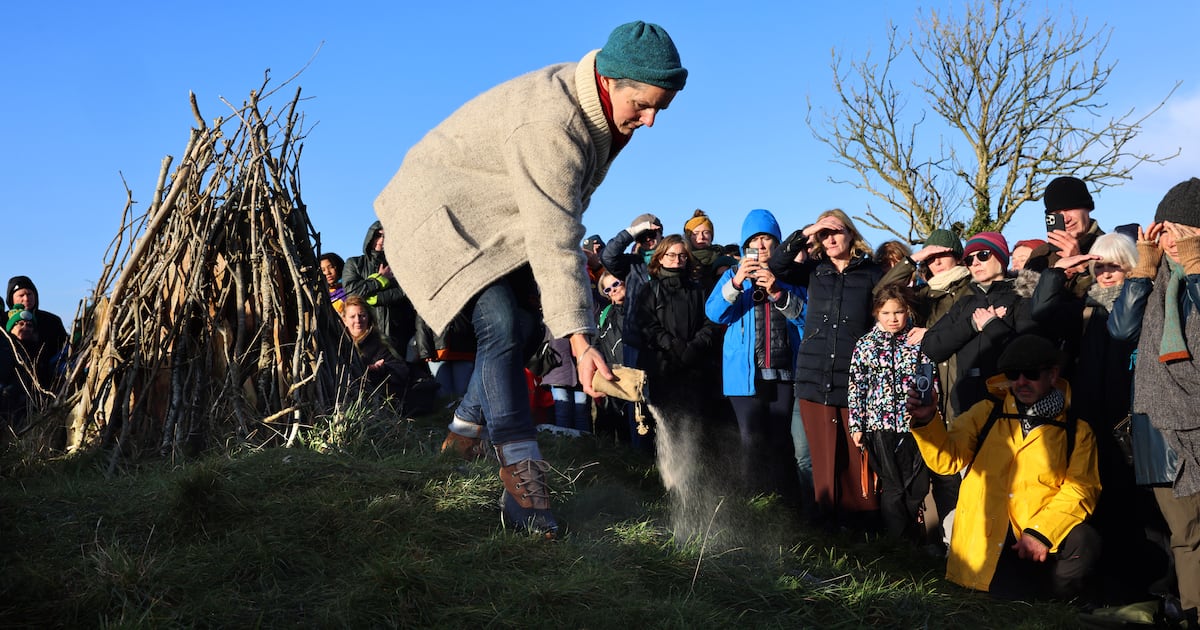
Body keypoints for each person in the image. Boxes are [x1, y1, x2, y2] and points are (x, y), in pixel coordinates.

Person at [373, 20, 687, 536]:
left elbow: (559, 217)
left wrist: (563, 321)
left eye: (662, 107)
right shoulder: (554, 123)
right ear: (611, 82)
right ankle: (523, 480)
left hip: (493, 218)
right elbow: (554, 232)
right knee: (499, 320)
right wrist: (583, 342)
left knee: (521, 330)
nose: (651, 120)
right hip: (435, 215)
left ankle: (463, 433)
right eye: (644, 105)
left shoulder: (602, 113)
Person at [907, 334, 1101, 605]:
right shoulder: (986, 412)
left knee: (1085, 540)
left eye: (1031, 374)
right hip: (987, 536)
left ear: (1053, 375)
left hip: (1037, 540)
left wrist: (1040, 532)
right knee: (1004, 599)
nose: (1021, 382)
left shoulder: (1077, 430)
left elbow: (1082, 489)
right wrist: (928, 420)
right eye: (1013, 374)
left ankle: (1058, 601)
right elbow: (946, 461)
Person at [1108, 178, 1200, 625]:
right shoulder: (1155, 275)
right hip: (1159, 424)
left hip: (1195, 422)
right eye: (1166, 230)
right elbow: (1120, 330)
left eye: (1186, 230)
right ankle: (1189, 612)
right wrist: (1141, 272)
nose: (1173, 241)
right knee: (1185, 534)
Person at [768, 209, 881, 528]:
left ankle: (862, 528)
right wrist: (809, 230)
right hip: (812, 377)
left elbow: (885, 315)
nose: (830, 238)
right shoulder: (814, 271)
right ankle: (821, 527)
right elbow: (776, 265)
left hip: (853, 376)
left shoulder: (871, 273)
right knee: (818, 457)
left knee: (853, 455)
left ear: (851, 234)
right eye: (824, 234)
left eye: (836, 231)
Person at [875, 228, 971, 550]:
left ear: (957, 255)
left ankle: (958, 548)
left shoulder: (970, 291)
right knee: (935, 476)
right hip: (929, 398)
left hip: (960, 394)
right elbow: (883, 291)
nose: (935, 263)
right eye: (930, 259)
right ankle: (939, 544)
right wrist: (912, 259)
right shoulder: (923, 295)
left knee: (957, 478)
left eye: (941, 255)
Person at [706, 209, 805, 502]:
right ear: (743, 246)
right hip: (744, 375)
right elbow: (714, 313)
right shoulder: (731, 276)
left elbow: (805, 319)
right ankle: (753, 502)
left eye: (766, 239)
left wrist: (777, 291)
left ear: (777, 243)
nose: (760, 246)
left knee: (779, 441)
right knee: (750, 440)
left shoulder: (789, 277)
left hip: (784, 372)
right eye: (754, 241)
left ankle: (782, 502)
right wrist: (737, 282)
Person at [921, 232, 1041, 418]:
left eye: (983, 255)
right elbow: (931, 347)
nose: (975, 263)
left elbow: (1028, 354)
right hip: (964, 410)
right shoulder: (964, 304)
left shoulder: (1021, 299)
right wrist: (971, 325)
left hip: (1008, 410)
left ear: (1001, 258)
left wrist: (992, 324)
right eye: (969, 259)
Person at [848, 284, 934, 542]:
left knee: (916, 486)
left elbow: (931, 381)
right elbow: (856, 386)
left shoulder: (918, 341)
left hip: (914, 425)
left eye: (898, 312)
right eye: (885, 313)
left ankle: (914, 538)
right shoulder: (865, 345)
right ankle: (898, 544)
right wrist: (857, 425)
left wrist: (931, 416)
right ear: (876, 313)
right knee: (892, 486)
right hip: (879, 426)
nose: (892, 318)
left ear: (907, 311)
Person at [342, 221, 418, 354]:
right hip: (366, 335)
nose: (381, 240)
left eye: (386, 236)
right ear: (370, 237)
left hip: (401, 334)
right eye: (378, 235)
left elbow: (409, 290)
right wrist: (380, 279)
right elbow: (352, 292)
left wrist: (375, 298)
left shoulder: (402, 264)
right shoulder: (354, 263)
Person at [601, 212, 664, 371]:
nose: (648, 240)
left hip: (668, 334)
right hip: (637, 337)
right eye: (642, 237)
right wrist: (633, 231)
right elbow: (608, 256)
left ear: (660, 231)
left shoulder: (673, 259)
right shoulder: (631, 264)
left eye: (650, 234)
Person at [1025, 176, 1106, 297]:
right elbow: (1025, 302)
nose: (1066, 219)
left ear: (1088, 207)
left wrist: (1081, 265)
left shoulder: (1110, 247)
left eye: (1070, 208)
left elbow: (1112, 301)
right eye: (1057, 213)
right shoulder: (1041, 254)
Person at [6, 276, 69, 380]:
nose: (26, 299)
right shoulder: (3, 321)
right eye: (21, 295)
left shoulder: (52, 321)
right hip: (11, 382)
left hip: (48, 381)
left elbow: (64, 351)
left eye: (29, 294)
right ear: (11, 298)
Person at [683, 209, 736, 290]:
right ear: (688, 237)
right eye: (695, 233)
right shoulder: (682, 260)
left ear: (711, 236)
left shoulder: (724, 259)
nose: (701, 237)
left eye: (706, 232)